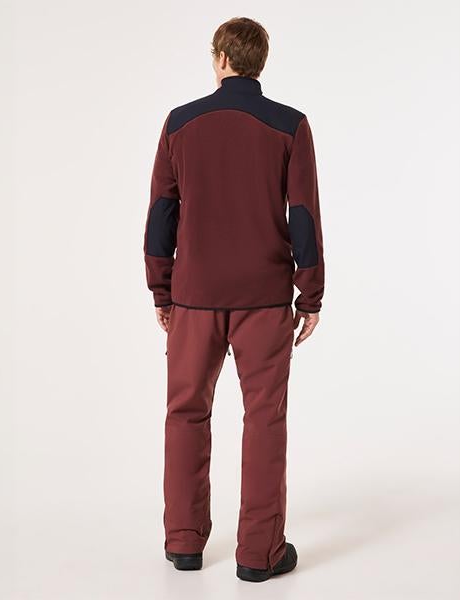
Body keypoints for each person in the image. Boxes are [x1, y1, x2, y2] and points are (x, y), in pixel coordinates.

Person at [143, 16, 325, 583]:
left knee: (185, 412)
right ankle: (259, 553)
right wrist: (310, 295)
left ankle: (184, 543)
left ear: (220, 57)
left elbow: (161, 213)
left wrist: (161, 287)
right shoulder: (290, 126)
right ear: (259, 62)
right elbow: (304, 215)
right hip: (264, 299)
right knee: (264, 418)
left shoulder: (180, 124)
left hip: (194, 297)